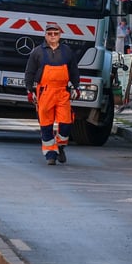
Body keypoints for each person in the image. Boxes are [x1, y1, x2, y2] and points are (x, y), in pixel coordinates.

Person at [24, 22, 79, 166]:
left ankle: (60, 145)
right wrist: (30, 90)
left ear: (60, 35)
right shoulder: (37, 52)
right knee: (46, 124)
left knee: (66, 123)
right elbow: (29, 72)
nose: (53, 36)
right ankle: (50, 154)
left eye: (55, 34)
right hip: (45, 92)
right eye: (50, 34)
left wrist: (76, 87)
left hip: (62, 92)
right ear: (45, 35)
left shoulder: (67, 51)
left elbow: (73, 71)